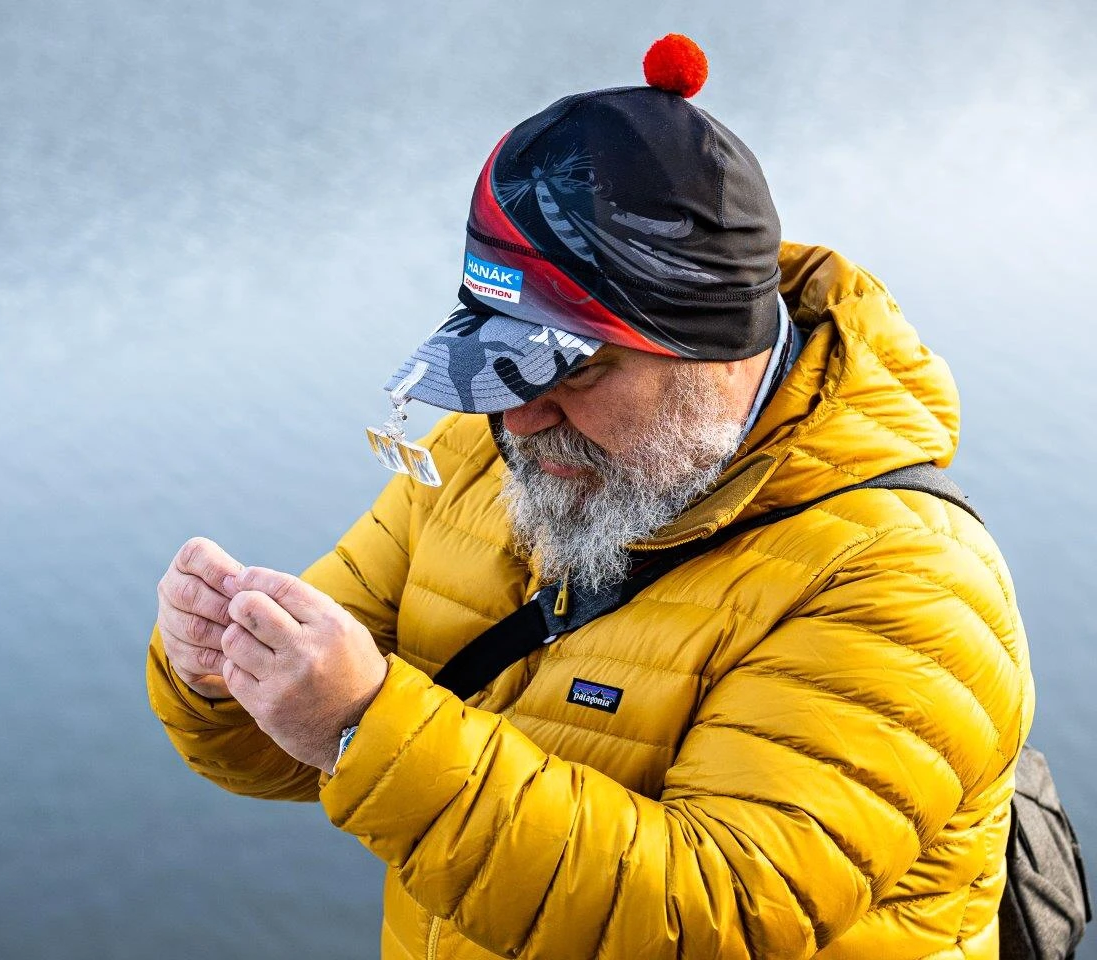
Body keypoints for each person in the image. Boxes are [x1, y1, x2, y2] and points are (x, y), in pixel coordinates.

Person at [146, 33, 1032, 960]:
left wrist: (366, 723)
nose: (520, 420)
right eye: (496, 367)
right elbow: (291, 741)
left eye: (574, 373)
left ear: (715, 352)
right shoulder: (490, 452)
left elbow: (711, 916)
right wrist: (220, 670)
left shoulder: (908, 587)